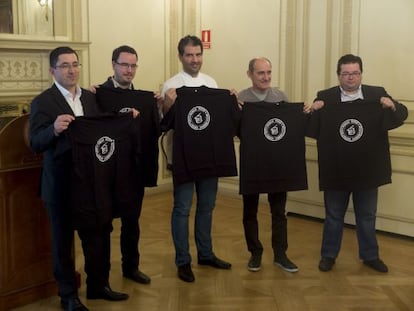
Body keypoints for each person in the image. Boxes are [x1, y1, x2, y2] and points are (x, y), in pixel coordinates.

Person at [30, 46, 128, 311]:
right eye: (65, 65)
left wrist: (126, 117)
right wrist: (53, 129)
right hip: (60, 187)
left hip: (91, 183)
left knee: (97, 235)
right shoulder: (43, 102)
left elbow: (101, 129)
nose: (72, 70)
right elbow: (35, 143)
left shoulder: (90, 98)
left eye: (75, 64)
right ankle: (68, 297)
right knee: (63, 243)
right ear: (52, 70)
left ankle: (98, 285)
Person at [308, 54, 408, 273]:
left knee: (367, 216)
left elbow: (401, 115)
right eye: (346, 74)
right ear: (338, 75)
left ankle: (370, 256)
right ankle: (328, 255)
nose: (351, 78)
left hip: (368, 170)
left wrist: (392, 105)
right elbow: (308, 126)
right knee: (334, 216)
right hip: (336, 170)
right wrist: (313, 109)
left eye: (355, 73)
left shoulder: (377, 94)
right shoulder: (326, 97)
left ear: (361, 73)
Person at [161, 35, 232, 282]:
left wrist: (228, 100)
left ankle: (206, 253)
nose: (194, 59)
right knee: (182, 209)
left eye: (198, 54)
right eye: (189, 55)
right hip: (183, 157)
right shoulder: (171, 85)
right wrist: (168, 105)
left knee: (207, 207)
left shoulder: (212, 83)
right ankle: (183, 261)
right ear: (180, 57)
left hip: (209, 156)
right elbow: (165, 123)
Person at [238, 57, 305, 273]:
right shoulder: (242, 98)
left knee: (279, 211)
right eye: (260, 73)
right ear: (250, 74)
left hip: (278, 164)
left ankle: (280, 254)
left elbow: (287, 126)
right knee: (250, 211)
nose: (266, 77)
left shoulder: (280, 96)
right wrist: (235, 110)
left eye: (269, 72)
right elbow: (237, 131)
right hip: (253, 163)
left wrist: (300, 112)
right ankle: (255, 253)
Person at [95, 45, 156, 285]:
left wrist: (158, 105)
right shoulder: (97, 95)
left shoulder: (144, 98)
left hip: (133, 170)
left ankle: (131, 267)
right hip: (107, 171)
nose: (129, 70)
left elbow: (155, 130)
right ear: (113, 65)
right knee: (104, 225)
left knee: (132, 222)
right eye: (124, 65)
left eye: (133, 65)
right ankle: (102, 274)